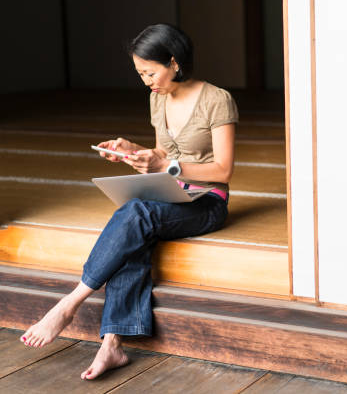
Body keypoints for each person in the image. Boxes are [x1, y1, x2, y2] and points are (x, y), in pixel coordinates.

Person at [18, 23, 238, 380]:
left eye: (150, 72)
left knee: (135, 213)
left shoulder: (217, 99)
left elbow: (224, 170)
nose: (146, 81)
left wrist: (166, 165)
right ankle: (112, 345)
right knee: (135, 229)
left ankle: (69, 303)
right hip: (173, 193)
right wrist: (132, 152)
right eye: (140, 74)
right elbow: (164, 152)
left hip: (207, 201)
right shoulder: (158, 98)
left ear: (174, 61)